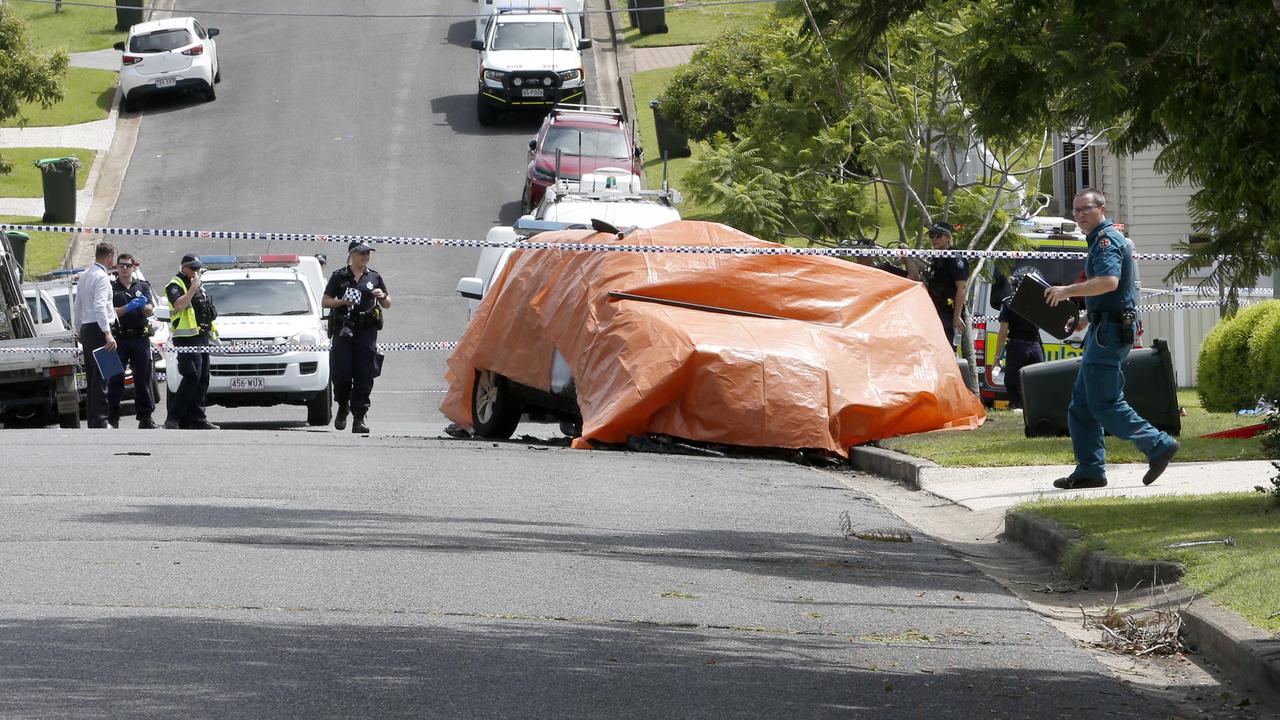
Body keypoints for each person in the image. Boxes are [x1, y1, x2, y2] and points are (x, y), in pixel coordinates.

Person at [1044, 189, 1179, 489]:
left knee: (1104, 402)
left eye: (1085, 209)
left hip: (1109, 334)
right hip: (1103, 328)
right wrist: (1083, 318)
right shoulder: (1099, 241)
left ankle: (1158, 444)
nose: (1079, 215)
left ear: (1101, 209)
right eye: (1075, 210)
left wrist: (1067, 291)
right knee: (1081, 403)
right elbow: (1114, 295)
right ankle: (1090, 470)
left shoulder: (1106, 241)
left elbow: (1109, 282)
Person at [323, 241, 391, 434]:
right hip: (344, 331)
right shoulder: (339, 276)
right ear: (352, 254)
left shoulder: (374, 277)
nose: (365, 256)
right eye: (362, 253)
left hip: (366, 332)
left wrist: (382, 296)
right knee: (342, 373)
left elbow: (388, 303)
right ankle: (343, 406)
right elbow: (325, 301)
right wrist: (342, 301)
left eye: (367, 253)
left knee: (364, 374)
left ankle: (359, 417)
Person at [163, 254, 219, 430]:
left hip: (201, 336)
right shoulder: (175, 284)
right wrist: (193, 289)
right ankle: (173, 418)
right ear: (183, 267)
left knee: (203, 378)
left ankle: (198, 418)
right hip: (185, 338)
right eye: (193, 268)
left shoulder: (197, 285)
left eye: (198, 269)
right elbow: (179, 305)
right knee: (191, 376)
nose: (196, 272)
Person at [107, 253, 158, 429]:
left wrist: (145, 307)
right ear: (117, 268)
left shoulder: (142, 286)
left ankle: (145, 417)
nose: (124, 269)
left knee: (143, 378)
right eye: (121, 265)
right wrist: (128, 307)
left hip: (139, 337)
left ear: (133, 267)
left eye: (128, 266)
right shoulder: (111, 288)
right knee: (115, 378)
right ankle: (112, 417)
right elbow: (110, 312)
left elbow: (150, 309)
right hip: (119, 338)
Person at [70, 242, 117, 428]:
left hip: (88, 328)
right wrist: (108, 333)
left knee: (92, 376)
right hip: (99, 328)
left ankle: (94, 419)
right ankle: (101, 419)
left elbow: (77, 305)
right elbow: (100, 306)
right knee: (103, 374)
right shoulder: (102, 277)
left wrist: (79, 328)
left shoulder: (85, 276)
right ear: (109, 257)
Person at [989, 273, 1043, 410]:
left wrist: (996, 356)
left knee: (1012, 381)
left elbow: (1003, 332)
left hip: (1017, 346)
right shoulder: (1037, 302)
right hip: (1036, 346)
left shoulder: (1008, 302)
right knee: (1037, 380)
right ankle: (1035, 409)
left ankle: (1017, 407)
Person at [910, 222, 968, 346]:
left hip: (948, 314)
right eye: (932, 235)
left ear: (947, 237)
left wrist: (956, 317)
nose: (934, 239)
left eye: (938, 235)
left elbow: (962, 287)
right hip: (934, 312)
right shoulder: (936, 257)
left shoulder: (955, 256)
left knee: (946, 352)